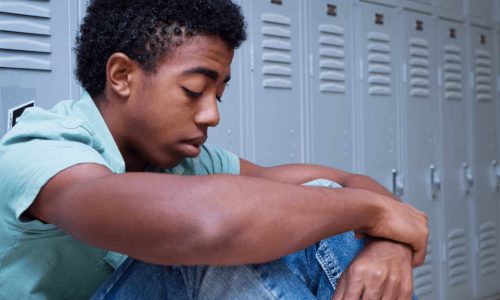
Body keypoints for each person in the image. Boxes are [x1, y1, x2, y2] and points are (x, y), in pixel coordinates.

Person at [0, 0, 428, 299]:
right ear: (122, 75)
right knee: (209, 245)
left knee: (317, 201)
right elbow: (209, 222)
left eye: (218, 96)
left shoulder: (185, 163)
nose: (212, 116)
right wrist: (378, 214)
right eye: (194, 91)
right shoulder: (43, 147)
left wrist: (385, 243)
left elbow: (343, 183)